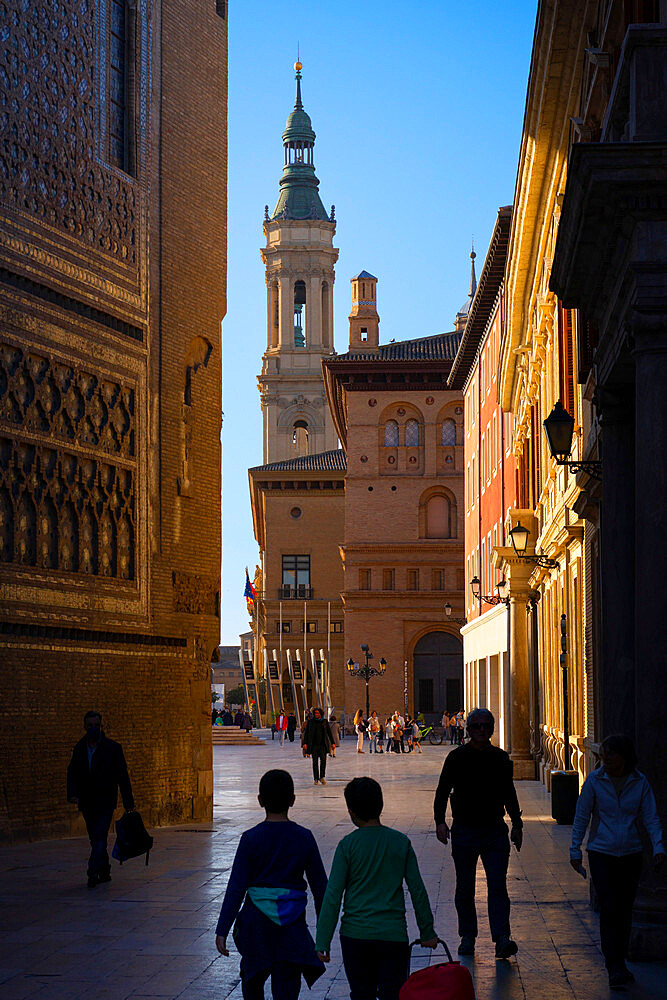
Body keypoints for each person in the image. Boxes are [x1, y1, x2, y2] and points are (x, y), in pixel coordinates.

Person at [315, 777, 438, 1000]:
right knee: (393, 994)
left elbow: (333, 895)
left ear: (351, 811)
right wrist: (427, 931)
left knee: (362, 994)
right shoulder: (400, 842)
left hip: (355, 936)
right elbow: (417, 890)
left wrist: (323, 940)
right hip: (393, 935)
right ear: (380, 806)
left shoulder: (347, 845)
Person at [215, 769, 327, 999]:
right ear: (293, 800)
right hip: (292, 928)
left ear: (260, 800)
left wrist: (222, 928)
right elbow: (320, 889)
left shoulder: (250, 838)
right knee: (287, 986)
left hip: (256, 927)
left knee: (253, 981)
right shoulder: (303, 837)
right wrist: (324, 935)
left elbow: (236, 888)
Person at [569, 734, 664, 990]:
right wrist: (575, 849)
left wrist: (658, 847)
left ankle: (619, 959)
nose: (606, 758)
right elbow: (582, 814)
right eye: (604, 754)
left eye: (611, 754)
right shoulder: (595, 781)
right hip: (601, 852)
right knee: (610, 907)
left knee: (624, 909)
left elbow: (651, 817)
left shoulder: (639, 782)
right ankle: (614, 966)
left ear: (624, 757)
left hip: (631, 853)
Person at [433, 707, 522, 959]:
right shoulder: (456, 758)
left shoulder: (500, 758)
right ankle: (468, 935)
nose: (482, 730)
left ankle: (502, 937)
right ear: (469, 729)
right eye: (477, 726)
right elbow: (442, 791)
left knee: (497, 886)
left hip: (494, 829)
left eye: (486, 725)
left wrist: (517, 824)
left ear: (492, 729)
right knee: (465, 887)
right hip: (464, 830)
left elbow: (509, 793)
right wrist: (440, 821)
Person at [67, 710, 135, 888]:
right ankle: (104, 870)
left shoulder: (112, 748)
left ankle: (93, 871)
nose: (93, 729)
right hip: (87, 801)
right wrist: (73, 794)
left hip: (105, 801)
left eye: (96, 725)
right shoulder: (80, 748)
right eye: (90, 726)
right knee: (95, 838)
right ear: (84, 727)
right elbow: (72, 772)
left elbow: (122, 776)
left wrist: (129, 803)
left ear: (101, 726)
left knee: (100, 837)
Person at [301, 708, 334, 785]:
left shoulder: (325, 721)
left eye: (318, 713)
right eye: (315, 713)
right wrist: (305, 743)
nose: (316, 714)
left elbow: (329, 733)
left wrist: (333, 743)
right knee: (315, 762)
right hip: (313, 745)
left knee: (323, 761)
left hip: (323, 745)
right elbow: (306, 733)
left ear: (321, 714)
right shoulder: (311, 722)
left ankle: (322, 777)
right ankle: (316, 778)